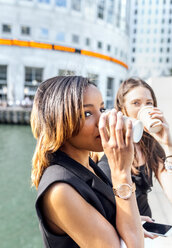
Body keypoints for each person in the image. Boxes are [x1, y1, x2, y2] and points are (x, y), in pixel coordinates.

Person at [31, 75, 144, 248]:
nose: (102, 121)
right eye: (87, 113)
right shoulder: (59, 190)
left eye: (102, 109)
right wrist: (121, 172)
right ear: (60, 122)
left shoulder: (86, 164)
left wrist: (132, 220)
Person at [97, 77, 172, 221]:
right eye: (136, 103)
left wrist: (168, 146)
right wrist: (134, 222)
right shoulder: (110, 147)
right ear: (122, 109)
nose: (144, 108)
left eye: (149, 103)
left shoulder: (150, 145)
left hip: (148, 227)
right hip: (124, 229)